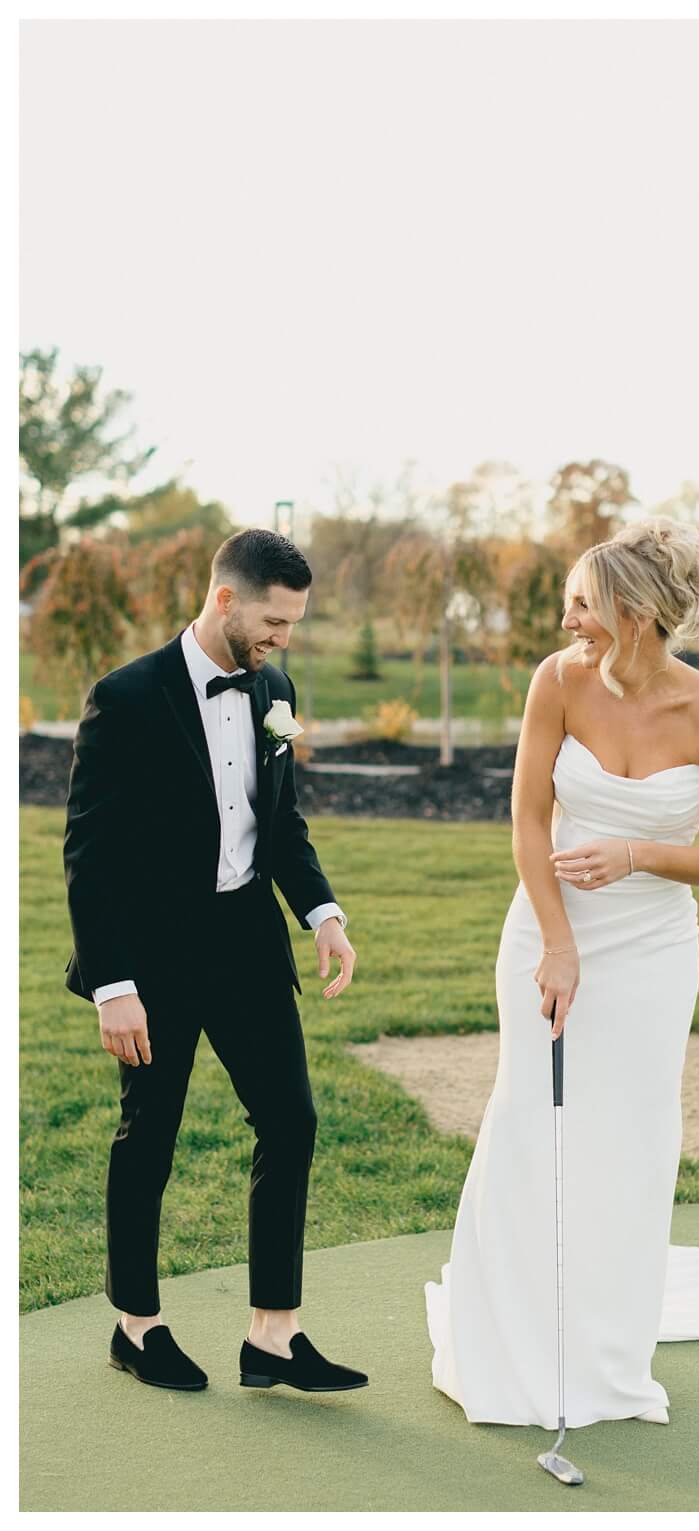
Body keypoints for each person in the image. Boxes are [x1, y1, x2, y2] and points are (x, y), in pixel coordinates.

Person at [425, 518, 699, 1425]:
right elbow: (529, 821)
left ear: (635, 611)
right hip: (547, 936)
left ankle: (605, 1355)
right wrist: (558, 940)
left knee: (630, 1143)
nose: (566, 615)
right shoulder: (558, 680)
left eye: (582, 601)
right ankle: (510, 1346)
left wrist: (641, 854)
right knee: (529, 1125)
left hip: (652, 956)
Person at [64, 528, 367, 1394]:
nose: (285, 638)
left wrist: (323, 913)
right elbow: (90, 853)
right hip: (151, 962)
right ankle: (138, 1326)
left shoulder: (274, 686)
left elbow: (281, 821)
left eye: (295, 623)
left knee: (292, 1121)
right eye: (275, 619)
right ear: (226, 599)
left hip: (246, 944)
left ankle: (273, 1335)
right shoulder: (125, 697)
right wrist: (112, 986)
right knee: (149, 1135)